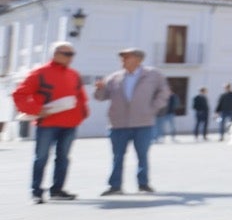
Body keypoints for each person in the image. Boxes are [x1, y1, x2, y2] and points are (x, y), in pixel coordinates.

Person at [12, 41, 88, 204]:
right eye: (66, 54)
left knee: (63, 158)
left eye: (72, 54)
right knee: (41, 158)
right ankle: (36, 192)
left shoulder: (74, 74)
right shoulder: (39, 73)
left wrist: (82, 114)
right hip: (47, 123)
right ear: (55, 54)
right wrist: (36, 109)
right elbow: (20, 94)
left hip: (70, 124)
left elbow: (80, 96)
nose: (70, 58)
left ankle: (57, 190)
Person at [94, 47, 171, 195]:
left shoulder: (153, 75)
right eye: (122, 57)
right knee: (117, 157)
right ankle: (115, 186)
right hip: (118, 124)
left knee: (142, 155)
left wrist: (153, 108)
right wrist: (99, 89)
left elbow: (164, 92)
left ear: (138, 60)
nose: (122, 60)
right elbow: (101, 97)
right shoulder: (114, 77)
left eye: (126, 57)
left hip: (143, 123)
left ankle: (143, 184)